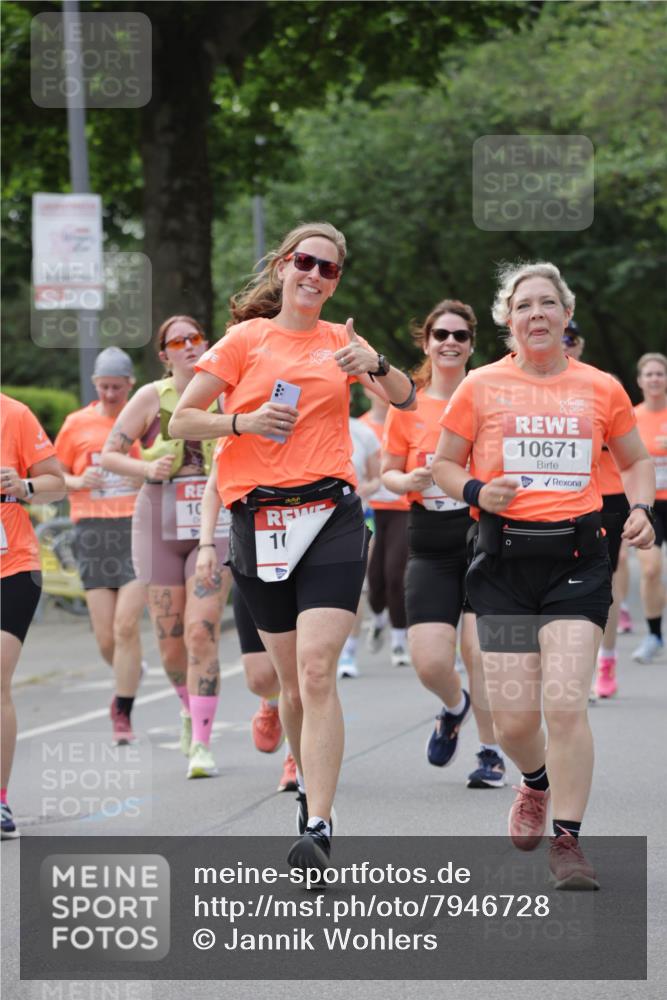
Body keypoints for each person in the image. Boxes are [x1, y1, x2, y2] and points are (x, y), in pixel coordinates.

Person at [169, 221, 416, 873]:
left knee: (314, 670)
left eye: (327, 269)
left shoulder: (343, 342)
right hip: (259, 523)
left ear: (335, 284)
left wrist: (379, 365)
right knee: (284, 684)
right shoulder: (244, 340)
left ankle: (319, 820)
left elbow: (406, 399)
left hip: (331, 516)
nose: (313, 275)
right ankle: (307, 784)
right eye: (305, 262)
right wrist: (241, 421)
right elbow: (180, 419)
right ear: (282, 267)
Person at [433, 261, 655, 889]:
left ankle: (569, 841)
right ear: (508, 318)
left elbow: (635, 462)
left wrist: (640, 509)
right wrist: (478, 489)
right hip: (502, 567)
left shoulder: (600, 387)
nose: (536, 313)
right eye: (524, 304)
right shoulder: (478, 386)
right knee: (514, 722)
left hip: (577, 565)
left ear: (565, 315)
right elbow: (444, 464)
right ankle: (534, 783)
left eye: (548, 304)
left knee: (563, 703)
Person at [382, 299, 506, 789]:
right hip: (429, 540)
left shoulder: (488, 399)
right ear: (427, 342)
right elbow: (386, 474)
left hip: (482, 537)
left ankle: (491, 753)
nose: (450, 342)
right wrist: (406, 477)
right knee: (431, 660)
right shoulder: (407, 406)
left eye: (460, 335)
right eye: (441, 335)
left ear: (472, 345)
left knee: (479, 653)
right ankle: (455, 706)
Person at [101, 316, 230, 778]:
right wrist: (144, 470)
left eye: (196, 338)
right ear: (165, 354)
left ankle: (201, 742)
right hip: (159, 517)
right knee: (171, 643)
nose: (190, 346)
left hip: (213, 522)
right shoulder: (150, 398)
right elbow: (109, 454)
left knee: (201, 630)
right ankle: (184, 706)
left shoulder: (224, 391)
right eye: (179, 341)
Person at [55, 347, 147, 743]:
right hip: (92, 530)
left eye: (117, 387)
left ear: (130, 385)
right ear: (95, 385)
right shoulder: (76, 424)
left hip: (136, 527)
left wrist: (141, 477)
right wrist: (78, 482)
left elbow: (165, 465)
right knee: (106, 637)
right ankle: (129, 670)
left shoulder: (144, 422)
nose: (111, 394)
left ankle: (122, 710)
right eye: (104, 386)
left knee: (126, 626)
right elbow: (54, 472)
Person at [197, 452, 297, 790]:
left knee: (308, 669)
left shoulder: (314, 429)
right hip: (255, 562)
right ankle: (270, 702)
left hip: (309, 562)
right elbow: (213, 488)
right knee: (260, 677)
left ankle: (298, 760)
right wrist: (206, 544)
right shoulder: (238, 431)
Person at [1, 394, 65, 838]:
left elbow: (57, 483)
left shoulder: (14, 414)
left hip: (12, 566)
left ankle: (0, 800)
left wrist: (23, 485)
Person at [360, 388, 411, 666]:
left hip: (401, 507)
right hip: (371, 509)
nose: (382, 391)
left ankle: (398, 641)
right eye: (374, 386)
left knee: (395, 573)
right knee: (374, 577)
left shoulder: (404, 421)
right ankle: (378, 618)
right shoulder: (361, 426)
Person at [337, 412, 382, 678]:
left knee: (356, 588)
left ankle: (349, 653)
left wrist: (365, 489)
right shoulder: (304, 424)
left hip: (359, 517)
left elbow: (378, 477)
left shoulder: (363, 432)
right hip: (313, 521)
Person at [631, 352, 667, 663]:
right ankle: (654, 634)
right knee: (651, 569)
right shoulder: (632, 417)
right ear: (640, 381)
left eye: (660, 373)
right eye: (649, 374)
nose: (655, 378)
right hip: (650, 504)